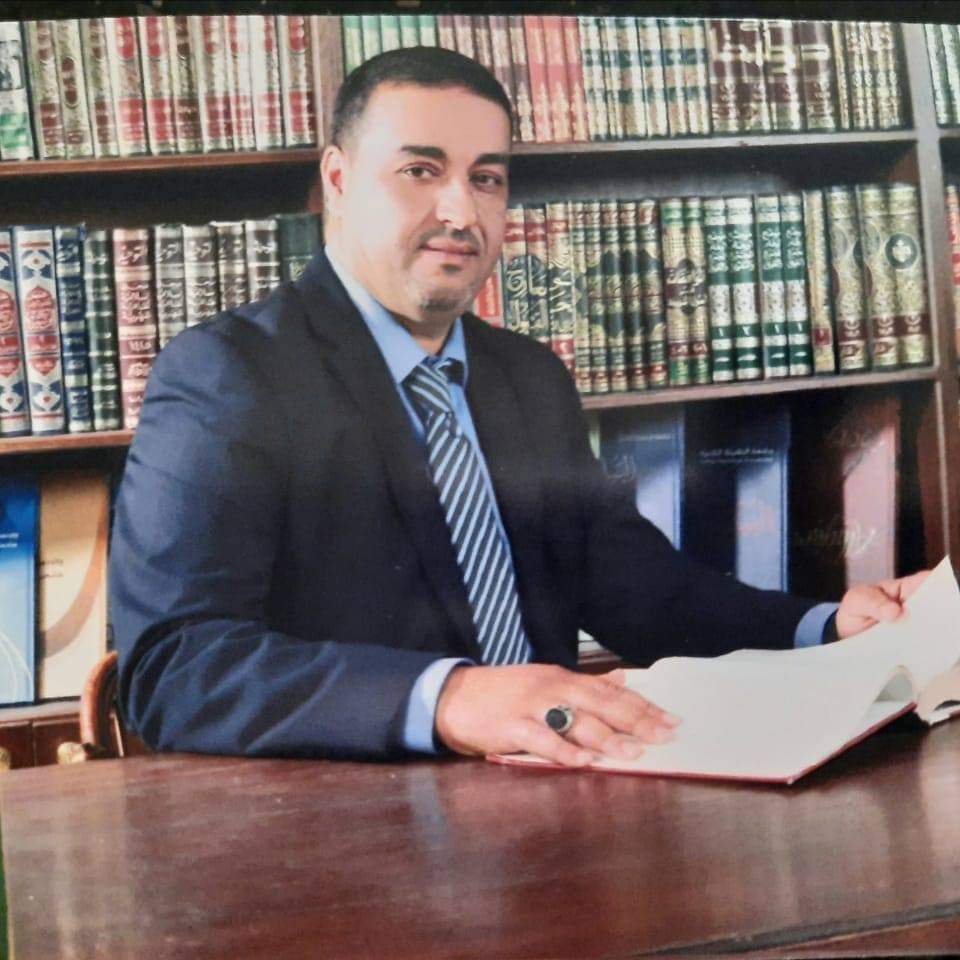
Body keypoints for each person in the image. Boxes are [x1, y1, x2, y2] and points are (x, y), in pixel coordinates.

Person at [109, 47, 928, 768]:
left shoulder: (529, 377)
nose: (462, 213)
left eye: (486, 178)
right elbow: (175, 669)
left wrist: (826, 627)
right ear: (338, 180)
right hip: (351, 827)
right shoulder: (230, 374)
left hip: (556, 801)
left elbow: (639, 592)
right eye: (420, 170)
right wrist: (450, 697)